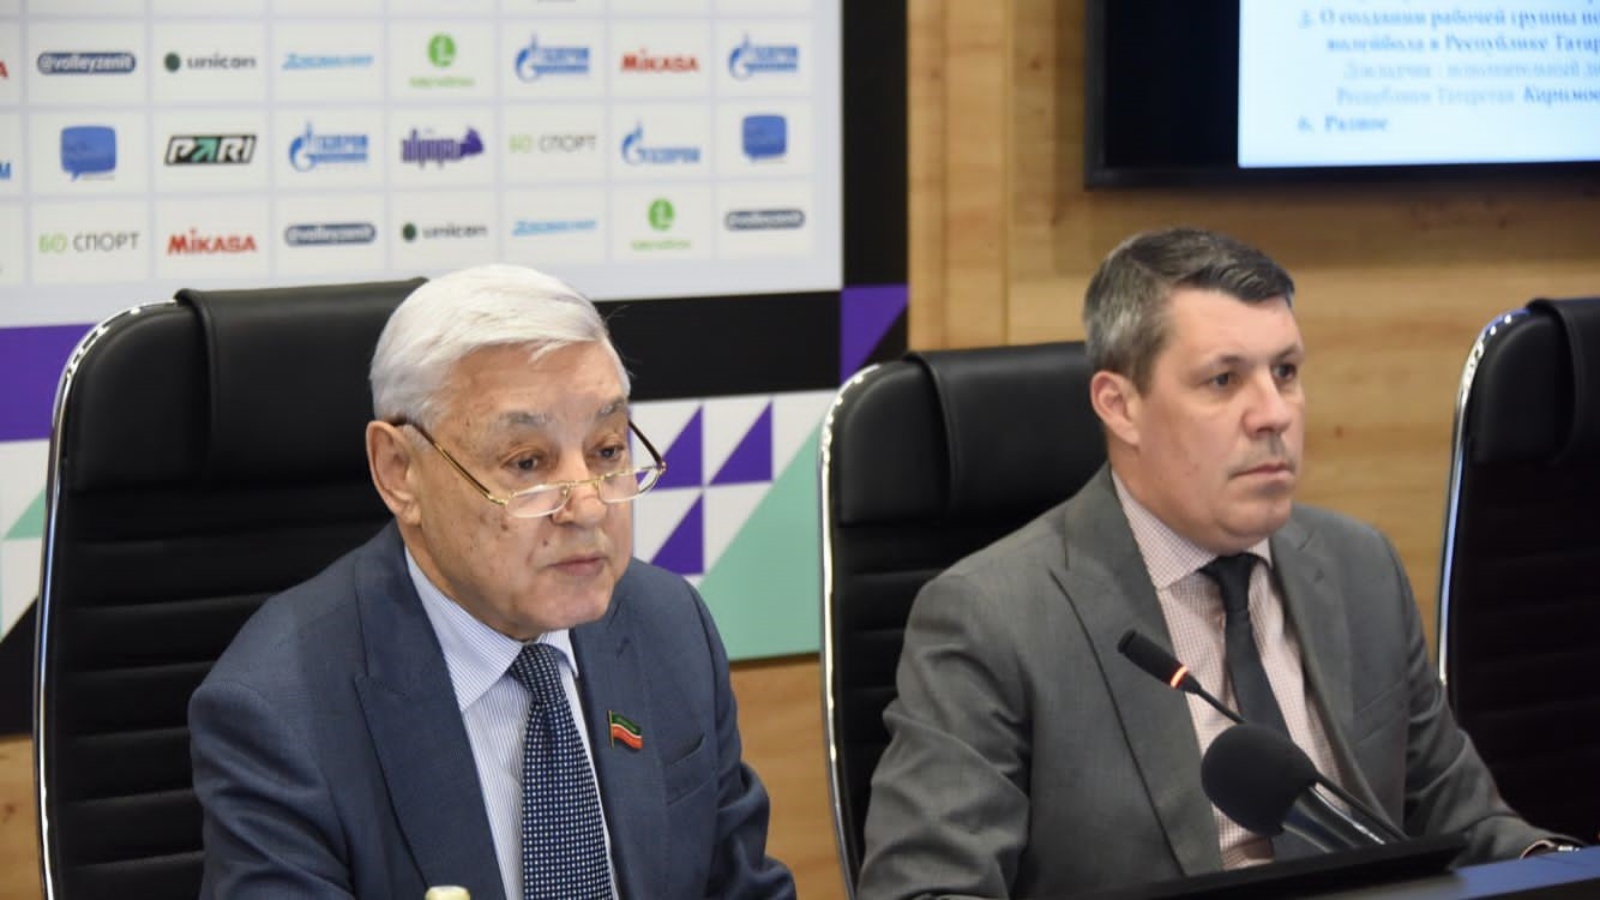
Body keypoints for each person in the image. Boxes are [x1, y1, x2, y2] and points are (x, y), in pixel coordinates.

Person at [855, 227, 1577, 899]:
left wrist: (1559, 868)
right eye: (1224, 381)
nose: (1274, 413)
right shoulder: (993, 617)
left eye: (1285, 371)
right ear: (1120, 406)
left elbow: (1468, 824)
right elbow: (929, 887)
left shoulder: (1361, 569)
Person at [190, 264, 796, 900]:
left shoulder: (668, 624)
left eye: (607, 450)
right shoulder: (279, 711)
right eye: (527, 462)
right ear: (399, 471)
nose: (589, 506)